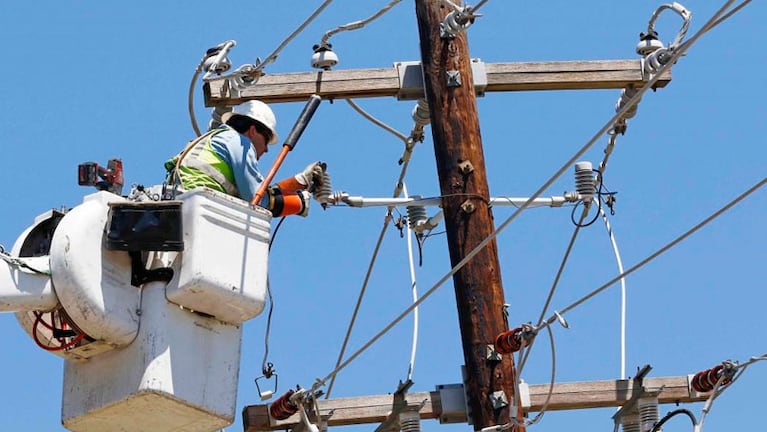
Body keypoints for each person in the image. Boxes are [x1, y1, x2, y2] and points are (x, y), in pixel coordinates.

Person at [165, 100, 324, 217]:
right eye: (266, 141)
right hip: (202, 209)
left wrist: (299, 182)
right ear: (253, 131)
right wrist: (299, 204)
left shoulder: (216, 138)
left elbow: (261, 191)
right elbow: (259, 201)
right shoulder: (240, 143)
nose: (267, 150)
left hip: (180, 207)